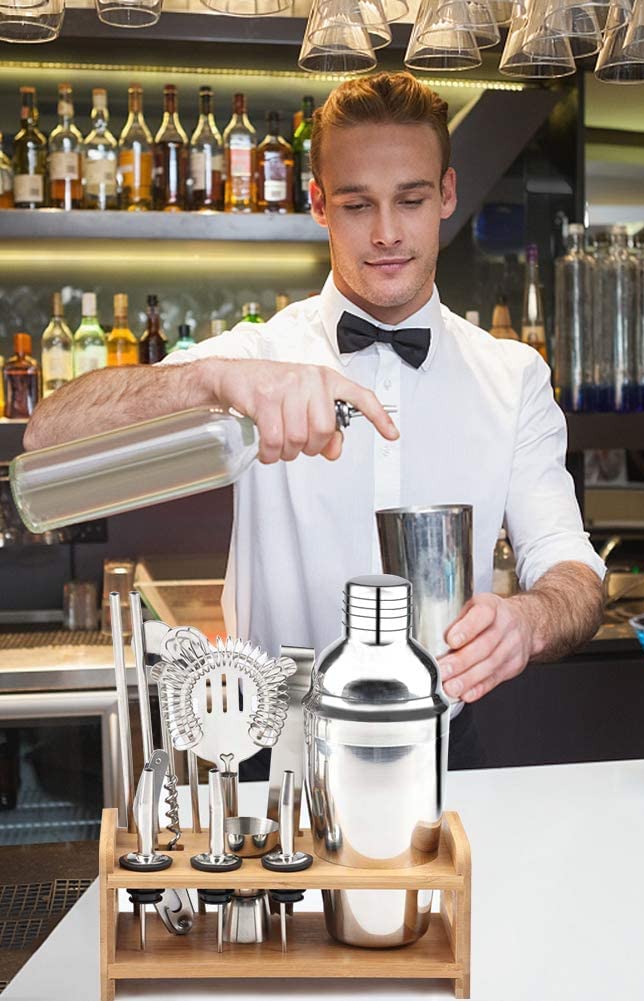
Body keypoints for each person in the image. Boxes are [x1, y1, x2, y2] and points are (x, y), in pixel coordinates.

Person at [24, 72, 606, 768]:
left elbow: (571, 570)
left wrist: (529, 619)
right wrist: (214, 378)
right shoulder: (259, 354)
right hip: (273, 753)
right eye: (358, 205)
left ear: (446, 194)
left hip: (445, 749)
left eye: (411, 200)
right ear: (318, 204)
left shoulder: (513, 377)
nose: (388, 233)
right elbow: (47, 432)